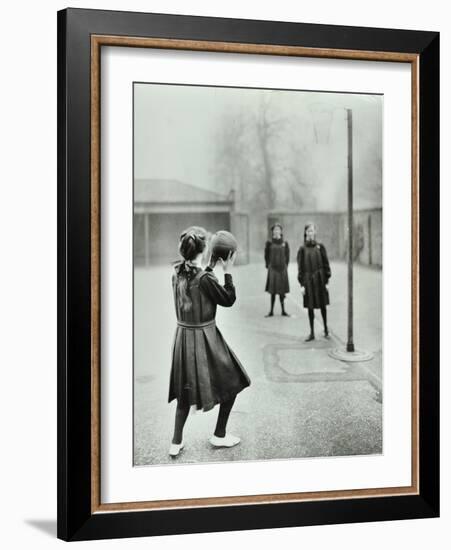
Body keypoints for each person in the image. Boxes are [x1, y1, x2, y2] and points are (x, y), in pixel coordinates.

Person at [168, 226, 250, 457]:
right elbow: (228, 299)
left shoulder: (178, 272)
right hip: (204, 337)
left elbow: (199, 283)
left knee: (185, 391)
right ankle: (220, 434)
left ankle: (176, 441)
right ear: (204, 252)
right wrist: (228, 271)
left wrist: (211, 268)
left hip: (183, 337)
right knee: (234, 382)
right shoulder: (205, 279)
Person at [296, 222, 331, 341]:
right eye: (308, 231)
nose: (310, 233)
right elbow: (300, 268)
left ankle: (326, 329)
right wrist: (302, 285)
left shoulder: (320, 247)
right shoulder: (302, 249)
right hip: (308, 282)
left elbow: (326, 265)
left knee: (322, 306)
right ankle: (312, 333)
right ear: (305, 233)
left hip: (320, 280)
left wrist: (327, 282)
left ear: (315, 233)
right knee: (310, 307)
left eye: (312, 231)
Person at [264, 223, 290, 317]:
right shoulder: (269, 243)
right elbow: (266, 255)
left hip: (282, 269)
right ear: (272, 232)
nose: (276, 231)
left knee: (282, 291)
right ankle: (271, 311)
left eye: (278, 229)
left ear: (281, 231)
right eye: (275, 230)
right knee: (273, 291)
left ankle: (283, 311)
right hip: (273, 270)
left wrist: (285, 266)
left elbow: (287, 256)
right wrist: (268, 265)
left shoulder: (285, 243)